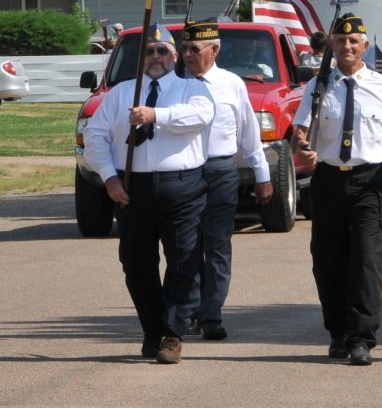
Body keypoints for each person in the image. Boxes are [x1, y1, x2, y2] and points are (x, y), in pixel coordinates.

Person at [81, 25, 215, 364]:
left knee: (184, 262)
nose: (156, 57)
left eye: (162, 51)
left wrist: (157, 115)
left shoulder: (191, 89)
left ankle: (173, 333)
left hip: (182, 187)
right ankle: (152, 330)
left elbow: (201, 116)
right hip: (133, 189)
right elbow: (95, 136)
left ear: (175, 55)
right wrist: (110, 179)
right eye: (149, 51)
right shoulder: (121, 93)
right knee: (136, 264)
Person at [289, 13, 382, 366]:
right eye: (340, 41)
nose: (347, 46)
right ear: (331, 46)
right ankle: (338, 333)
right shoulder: (319, 87)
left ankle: (362, 338)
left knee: (366, 260)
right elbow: (297, 134)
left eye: (353, 41)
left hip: (368, 182)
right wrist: (301, 147)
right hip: (328, 180)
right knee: (327, 262)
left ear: (364, 46)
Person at [178, 18, 272, 341]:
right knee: (186, 246)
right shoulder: (174, 84)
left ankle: (212, 314)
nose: (188, 54)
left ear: (214, 50)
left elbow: (249, 135)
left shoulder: (233, 84)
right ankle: (189, 311)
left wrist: (262, 175)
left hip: (220, 172)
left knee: (217, 246)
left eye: (195, 48)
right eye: (184, 48)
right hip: (184, 174)